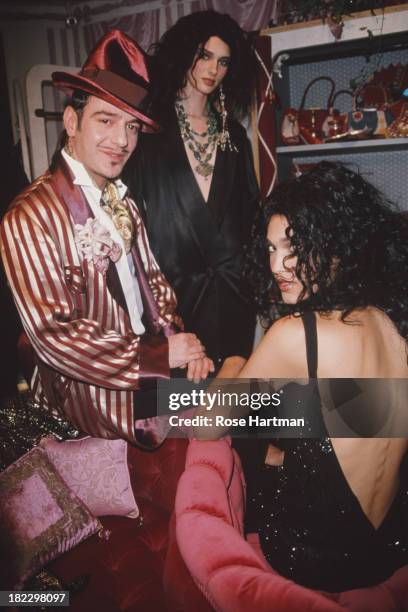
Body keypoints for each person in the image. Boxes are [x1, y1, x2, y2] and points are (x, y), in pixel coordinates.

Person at [178, 162, 408, 599]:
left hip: (318, 559)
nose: (278, 265)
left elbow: (206, 425)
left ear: (336, 245)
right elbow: (356, 430)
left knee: (252, 450)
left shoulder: (296, 335)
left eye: (294, 246)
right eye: (269, 248)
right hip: (387, 547)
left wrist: (233, 363)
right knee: (282, 435)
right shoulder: (391, 324)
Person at [0, 29, 213, 448]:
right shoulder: (29, 216)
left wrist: (183, 348)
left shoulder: (124, 201)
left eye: (132, 126)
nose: (122, 141)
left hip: (150, 378)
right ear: (71, 121)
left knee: (254, 413)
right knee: (245, 420)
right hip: (88, 404)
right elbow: (54, 336)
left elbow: (154, 287)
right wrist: (157, 357)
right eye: (106, 120)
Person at [124, 10, 259, 369]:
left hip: (234, 295)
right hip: (175, 299)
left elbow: (251, 214)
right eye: (205, 56)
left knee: (233, 413)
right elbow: (129, 219)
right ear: (184, 54)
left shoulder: (235, 136)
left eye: (224, 62)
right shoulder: (148, 130)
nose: (214, 70)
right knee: (180, 414)